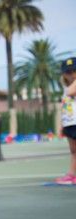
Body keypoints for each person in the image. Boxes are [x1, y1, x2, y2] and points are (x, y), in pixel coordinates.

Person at [55, 57, 76, 185]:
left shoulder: (72, 87)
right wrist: (62, 125)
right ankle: (72, 174)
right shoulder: (66, 88)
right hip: (69, 122)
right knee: (73, 151)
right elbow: (64, 107)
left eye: (74, 71)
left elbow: (71, 91)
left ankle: (72, 174)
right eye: (68, 72)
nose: (71, 75)